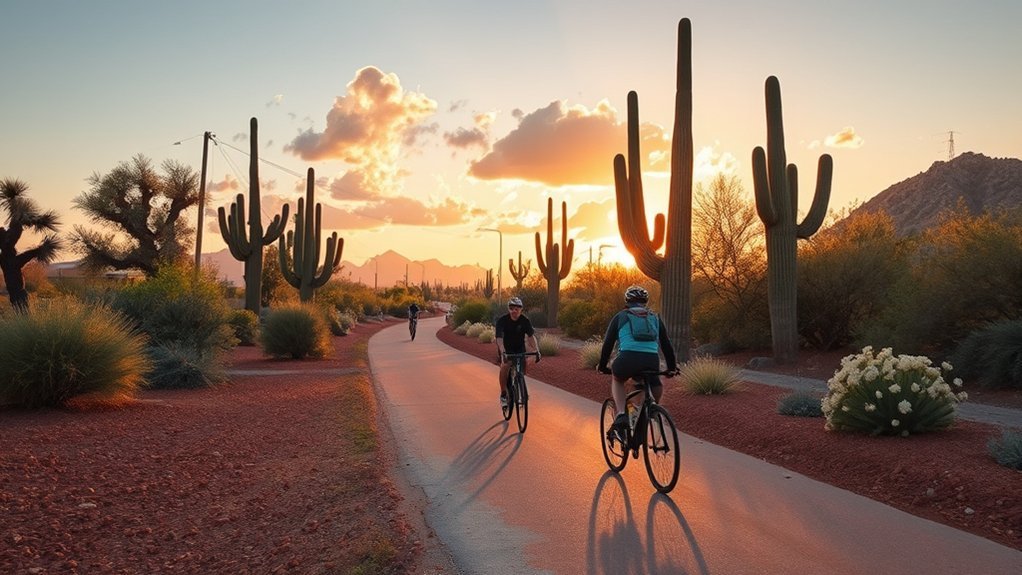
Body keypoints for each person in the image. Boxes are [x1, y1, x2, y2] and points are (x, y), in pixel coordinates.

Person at [597, 285, 679, 444]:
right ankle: (652, 409)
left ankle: (621, 413)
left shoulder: (620, 316)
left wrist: (602, 366)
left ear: (627, 301)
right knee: (653, 381)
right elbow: (667, 346)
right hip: (651, 361)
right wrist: (671, 367)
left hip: (627, 359)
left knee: (618, 379)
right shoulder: (655, 317)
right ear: (645, 302)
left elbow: (608, 344)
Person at [494, 296, 541, 407]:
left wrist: (536, 350)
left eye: (517, 308)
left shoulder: (525, 321)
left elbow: (530, 336)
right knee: (505, 366)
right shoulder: (502, 321)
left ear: (521, 309)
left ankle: (520, 385)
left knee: (522, 367)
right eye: (511, 308)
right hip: (506, 348)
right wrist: (503, 351)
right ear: (508, 309)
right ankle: (504, 394)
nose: (514, 310)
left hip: (519, 348)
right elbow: (499, 339)